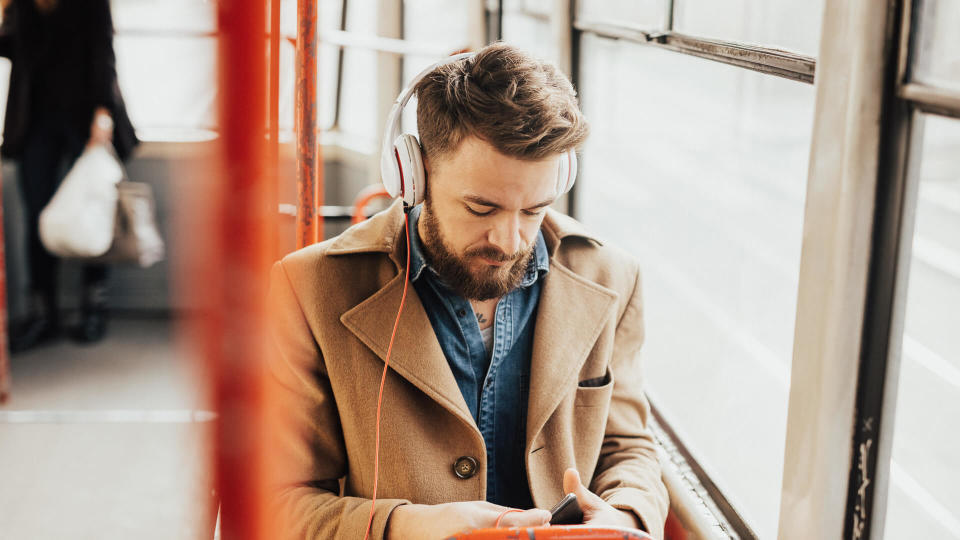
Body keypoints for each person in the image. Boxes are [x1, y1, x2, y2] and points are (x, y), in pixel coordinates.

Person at [267, 43, 668, 539]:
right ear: (414, 175)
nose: (510, 241)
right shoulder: (309, 288)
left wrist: (622, 514)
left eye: (534, 210)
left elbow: (628, 447)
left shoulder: (612, 277)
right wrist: (406, 526)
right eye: (482, 209)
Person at [0, 0, 138, 350]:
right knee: (38, 216)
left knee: (94, 209)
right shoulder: (20, 5)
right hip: (34, 121)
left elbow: (103, 52)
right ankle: (43, 313)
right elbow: (13, 49)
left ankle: (95, 306)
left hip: (84, 115)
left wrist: (104, 112)